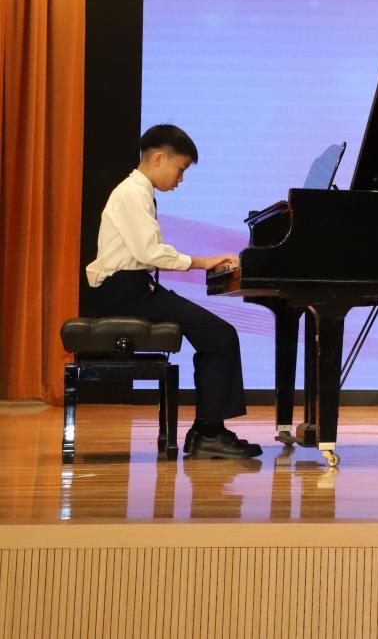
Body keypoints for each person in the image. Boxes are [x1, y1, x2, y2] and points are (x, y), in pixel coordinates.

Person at [85, 124, 261, 459]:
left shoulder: (136, 192)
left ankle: (207, 431)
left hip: (133, 288)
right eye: (180, 169)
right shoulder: (131, 193)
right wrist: (204, 262)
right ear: (159, 159)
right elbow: (150, 253)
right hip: (126, 292)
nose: (180, 179)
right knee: (220, 336)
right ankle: (208, 434)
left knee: (216, 335)